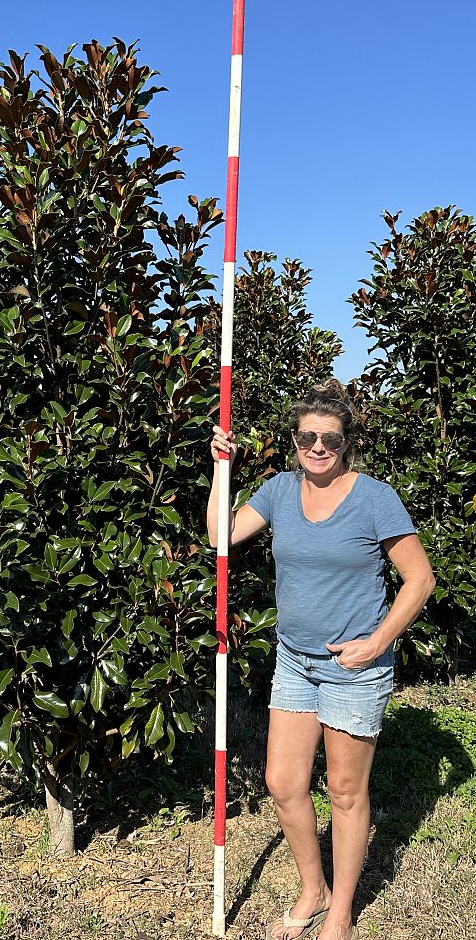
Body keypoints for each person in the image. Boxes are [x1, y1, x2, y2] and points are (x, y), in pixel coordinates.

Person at [207, 379, 435, 940]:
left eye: (329, 438)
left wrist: (378, 642)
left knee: (344, 791)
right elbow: (221, 535)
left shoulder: (375, 497)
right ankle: (315, 889)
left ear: (347, 442)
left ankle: (341, 911)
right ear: (293, 439)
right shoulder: (280, 490)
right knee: (283, 784)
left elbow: (420, 578)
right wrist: (220, 467)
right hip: (295, 661)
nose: (317, 447)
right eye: (307, 435)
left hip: (352, 670)